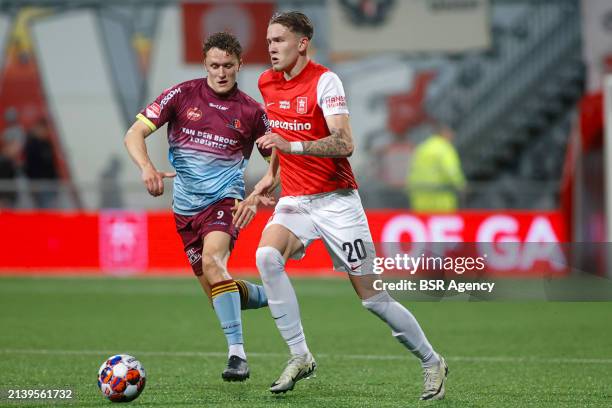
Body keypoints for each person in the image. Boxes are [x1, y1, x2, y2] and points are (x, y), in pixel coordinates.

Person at [250, 12, 448, 400]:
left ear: (302, 43)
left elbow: (345, 143)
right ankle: (300, 355)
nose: (271, 48)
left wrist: (290, 147)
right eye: (269, 40)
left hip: (337, 202)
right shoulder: (266, 82)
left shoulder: (326, 81)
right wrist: (271, 174)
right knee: (266, 258)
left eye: (280, 40)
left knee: (373, 299)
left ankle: (431, 361)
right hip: (295, 199)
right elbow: (280, 131)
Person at [124, 32, 271, 382]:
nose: (221, 72)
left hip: (224, 201)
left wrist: (263, 189)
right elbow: (134, 134)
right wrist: (146, 167)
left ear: (239, 66)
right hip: (184, 209)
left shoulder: (251, 111)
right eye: (214, 65)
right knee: (217, 289)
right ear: (205, 64)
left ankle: (238, 356)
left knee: (213, 262)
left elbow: (277, 160)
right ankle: (272, 296)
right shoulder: (182, 94)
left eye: (228, 66)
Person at [406, 123, 465, 212]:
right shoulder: (444, 148)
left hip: (419, 197)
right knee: (443, 223)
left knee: (424, 223)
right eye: (451, 132)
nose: (453, 136)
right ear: (445, 132)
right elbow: (451, 171)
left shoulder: (422, 147)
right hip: (440, 198)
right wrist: (461, 186)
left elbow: (412, 170)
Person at [23, 118, 59, 208]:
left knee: (50, 208)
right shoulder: (31, 145)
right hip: (39, 183)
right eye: (44, 129)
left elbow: (51, 164)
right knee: (44, 208)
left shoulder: (46, 144)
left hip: (50, 182)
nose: (46, 132)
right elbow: (30, 166)